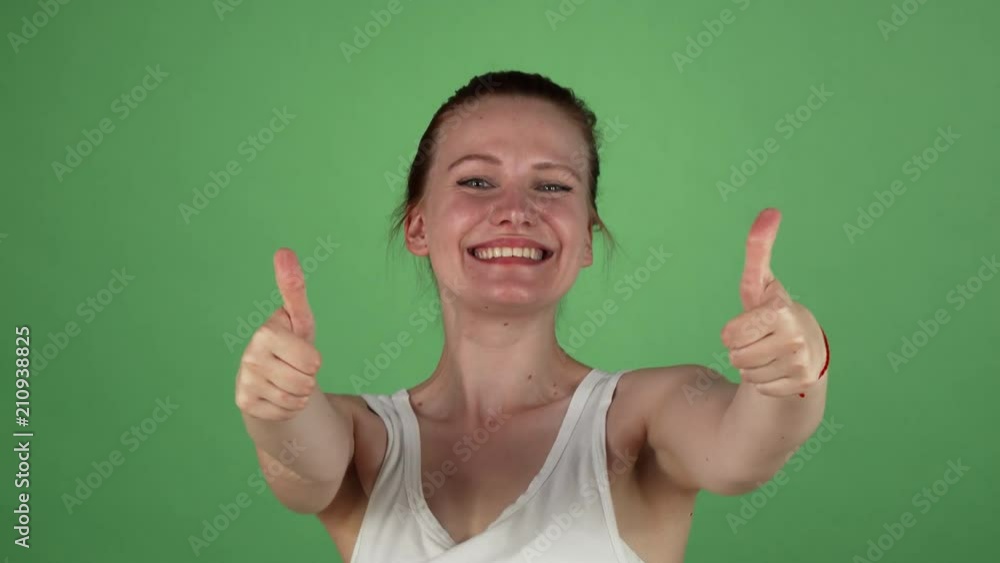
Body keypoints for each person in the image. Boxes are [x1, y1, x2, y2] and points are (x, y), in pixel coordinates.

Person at [234, 70, 830, 562]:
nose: (515, 210)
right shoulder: (363, 438)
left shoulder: (643, 418)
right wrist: (275, 407)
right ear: (418, 227)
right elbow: (303, 468)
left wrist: (795, 372)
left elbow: (743, 453)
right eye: (476, 180)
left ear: (587, 237)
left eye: (551, 187)